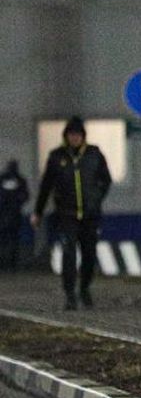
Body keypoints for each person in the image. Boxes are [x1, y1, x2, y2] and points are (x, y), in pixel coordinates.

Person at [31, 117, 112, 309]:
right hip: (66, 214)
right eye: (71, 134)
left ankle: (84, 288)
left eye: (78, 134)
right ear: (66, 136)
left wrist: (96, 198)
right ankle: (70, 294)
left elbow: (106, 179)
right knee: (69, 254)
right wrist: (38, 212)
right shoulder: (56, 157)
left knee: (89, 254)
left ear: (83, 136)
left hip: (90, 215)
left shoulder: (94, 154)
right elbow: (46, 186)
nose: (74, 138)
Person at [0, 160, 29, 271]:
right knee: (13, 239)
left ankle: (7, 262)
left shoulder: (3, 179)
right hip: (13, 214)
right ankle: (11, 263)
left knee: (6, 240)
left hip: (6, 214)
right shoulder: (20, 180)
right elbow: (25, 196)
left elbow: (25, 196)